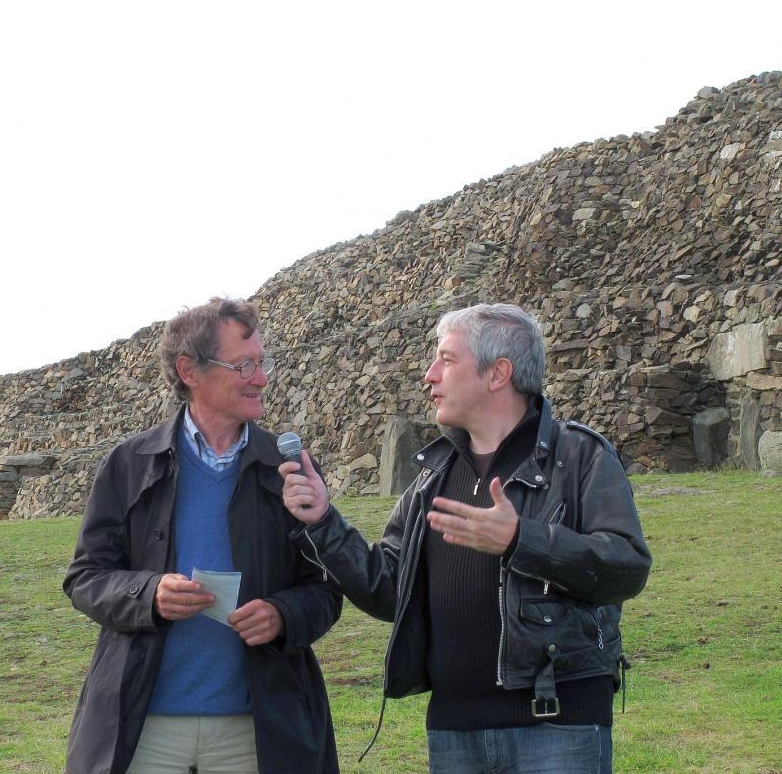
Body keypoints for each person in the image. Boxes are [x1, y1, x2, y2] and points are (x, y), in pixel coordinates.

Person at [280, 303, 651, 774]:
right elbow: (390, 590)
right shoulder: (433, 476)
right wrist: (322, 521)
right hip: (453, 731)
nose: (430, 375)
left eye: (447, 360)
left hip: (557, 723)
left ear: (498, 373)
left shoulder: (580, 456)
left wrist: (521, 539)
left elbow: (626, 567)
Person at [64, 297, 341, 774]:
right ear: (189, 370)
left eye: (262, 362)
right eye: (244, 365)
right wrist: (148, 594)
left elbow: (327, 588)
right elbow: (85, 577)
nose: (261, 378)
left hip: (259, 731)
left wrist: (283, 615)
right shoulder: (128, 464)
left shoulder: (289, 467)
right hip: (143, 728)